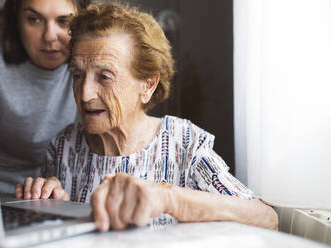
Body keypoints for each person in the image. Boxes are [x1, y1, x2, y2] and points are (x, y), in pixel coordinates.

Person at [16, 2, 279, 231]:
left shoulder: (184, 144)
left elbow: (266, 217)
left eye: (104, 77)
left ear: (148, 85)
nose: (84, 94)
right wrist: (47, 201)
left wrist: (169, 198)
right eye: (77, 75)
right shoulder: (63, 147)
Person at [0, 0, 88, 194]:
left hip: (54, 193)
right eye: (34, 19)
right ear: (17, 19)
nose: (49, 36)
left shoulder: (90, 60)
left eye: (64, 21)